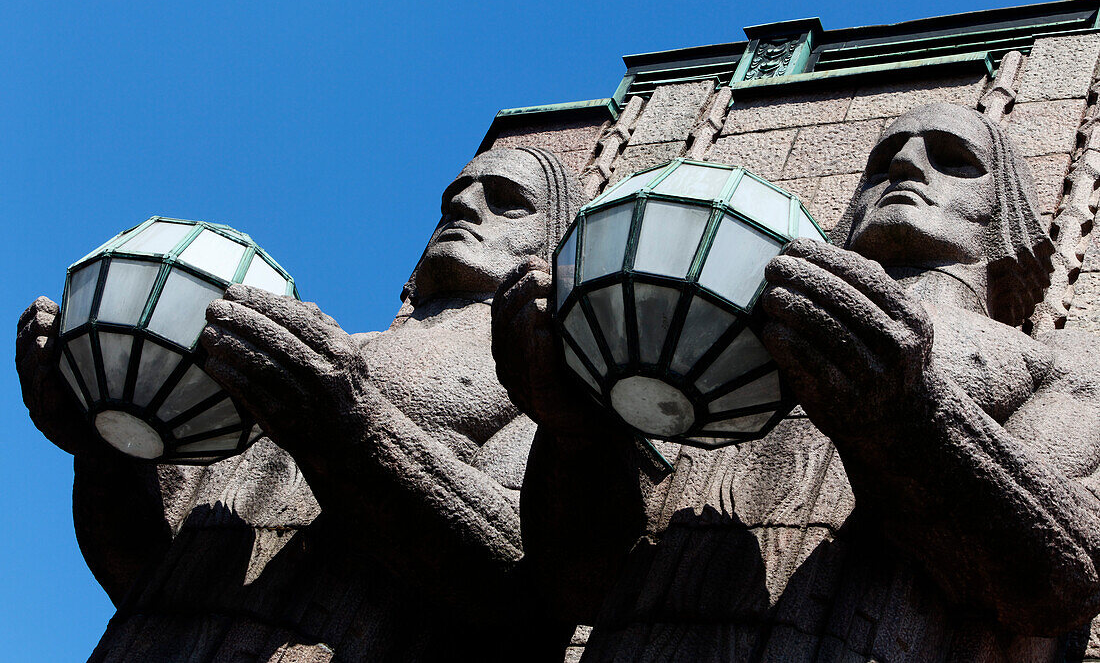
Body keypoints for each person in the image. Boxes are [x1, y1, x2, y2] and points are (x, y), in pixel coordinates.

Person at [492, 103, 1100, 660]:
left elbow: (1065, 583)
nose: (907, 165)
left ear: (1007, 222)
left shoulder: (1051, 374)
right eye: (883, 161)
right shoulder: (713, 342)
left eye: (952, 159)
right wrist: (576, 434)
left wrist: (910, 422)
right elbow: (579, 582)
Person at [17, 147, 589, 661]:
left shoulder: (547, 379)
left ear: (556, 243)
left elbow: (533, 569)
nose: (464, 206)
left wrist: (353, 428)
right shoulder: (323, 354)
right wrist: (104, 455)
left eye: (508, 202)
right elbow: (147, 564)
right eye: (454, 198)